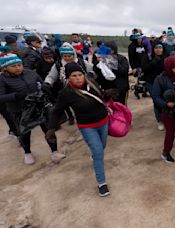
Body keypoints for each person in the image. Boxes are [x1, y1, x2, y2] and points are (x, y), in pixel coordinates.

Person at [46, 62, 117, 197]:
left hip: (103, 122)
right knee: (98, 152)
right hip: (87, 126)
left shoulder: (92, 83)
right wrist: (51, 128)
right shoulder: (66, 93)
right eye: (74, 76)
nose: (78, 78)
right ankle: (102, 183)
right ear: (68, 78)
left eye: (80, 75)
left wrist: (106, 94)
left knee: (102, 147)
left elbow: (101, 96)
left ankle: (95, 155)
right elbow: (56, 111)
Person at [0, 53, 66, 165]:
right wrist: (16, 95)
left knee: (48, 129)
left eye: (19, 65)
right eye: (14, 66)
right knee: (25, 132)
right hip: (19, 109)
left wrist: (46, 89)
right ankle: (27, 153)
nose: (17, 68)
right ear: (5, 68)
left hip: (39, 106)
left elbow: (41, 83)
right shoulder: (2, 79)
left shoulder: (30, 73)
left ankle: (55, 152)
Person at [142, 43, 165, 130]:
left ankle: (165, 119)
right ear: (153, 49)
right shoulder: (147, 56)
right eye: (156, 48)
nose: (159, 49)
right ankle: (159, 120)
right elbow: (144, 68)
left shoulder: (164, 57)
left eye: (160, 48)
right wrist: (154, 62)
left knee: (164, 100)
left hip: (162, 83)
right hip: (151, 82)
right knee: (156, 101)